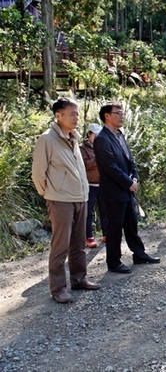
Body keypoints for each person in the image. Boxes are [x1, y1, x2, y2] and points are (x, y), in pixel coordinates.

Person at [31, 98, 101, 303]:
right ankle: (59, 288)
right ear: (58, 115)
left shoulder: (74, 138)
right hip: (60, 200)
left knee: (79, 243)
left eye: (77, 114)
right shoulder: (47, 139)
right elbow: (38, 173)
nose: (76, 117)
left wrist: (84, 191)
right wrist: (50, 194)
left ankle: (79, 279)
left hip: (81, 197)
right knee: (60, 246)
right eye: (72, 114)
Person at [94, 102, 160, 274]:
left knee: (132, 224)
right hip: (114, 192)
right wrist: (128, 182)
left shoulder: (120, 135)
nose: (122, 115)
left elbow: (129, 160)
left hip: (126, 189)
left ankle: (139, 255)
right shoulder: (102, 139)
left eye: (122, 112)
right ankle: (114, 262)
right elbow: (110, 167)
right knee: (114, 229)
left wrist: (135, 176)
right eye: (118, 113)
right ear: (107, 116)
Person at [79, 123, 108, 248]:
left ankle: (106, 234)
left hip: (102, 184)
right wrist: (98, 157)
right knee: (88, 212)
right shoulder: (81, 149)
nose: (97, 137)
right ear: (89, 134)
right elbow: (83, 166)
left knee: (105, 211)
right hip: (89, 185)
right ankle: (89, 237)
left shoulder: (103, 146)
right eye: (95, 135)